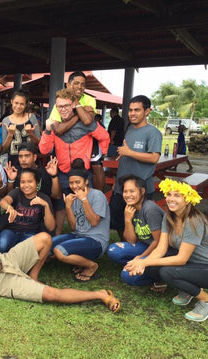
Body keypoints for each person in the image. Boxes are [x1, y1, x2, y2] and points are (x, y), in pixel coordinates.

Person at [0, 215, 120, 313]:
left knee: (45, 238)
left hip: (4, 261)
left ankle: (33, 276)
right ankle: (101, 295)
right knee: (51, 294)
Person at [125, 178, 208, 322]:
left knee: (166, 271)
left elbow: (181, 259)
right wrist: (143, 262)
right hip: (194, 265)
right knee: (152, 267)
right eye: (169, 194)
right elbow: (161, 249)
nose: (171, 199)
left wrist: (145, 263)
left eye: (177, 195)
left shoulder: (193, 220)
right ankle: (188, 291)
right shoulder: (169, 217)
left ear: (187, 200)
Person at [39, 88, 109, 234]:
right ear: (56, 107)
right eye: (60, 106)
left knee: (85, 204)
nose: (63, 109)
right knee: (60, 206)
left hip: (82, 172)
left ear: (73, 105)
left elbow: (104, 137)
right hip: (63, 172)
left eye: (66, 105)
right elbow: (44, 150)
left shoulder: (86, 123)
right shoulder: (54, 125)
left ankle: (90, 236)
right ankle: (56, 239)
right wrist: (46, 131)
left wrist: (99, 156)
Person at [109, 95, 162, 240]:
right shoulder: (130, 129)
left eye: (137, 110)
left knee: (141, 226)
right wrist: (116, 182)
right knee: (118, 222)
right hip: (121, 187)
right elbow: (126, 158)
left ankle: (140, 255)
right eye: (130, 110)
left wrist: (129, 152)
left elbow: (154, 158)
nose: (132, 113)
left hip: (140, 189)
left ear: (147, 111)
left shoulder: (153, 133)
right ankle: (127, 249)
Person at [107, 175, 172, 287]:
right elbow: (131, 240)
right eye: (125, 191)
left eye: (132, 191)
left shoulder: (149, 209)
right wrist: (127, 220)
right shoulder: (131, 208)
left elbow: (158, 241)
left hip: (163, 251)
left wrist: (141, 257)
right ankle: (139, 267)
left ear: (142, 191)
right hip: (146, 246)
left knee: (127, 276)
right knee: (113, 250)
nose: (127, 195)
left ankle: (161, 277)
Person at [51, 159, 110, 282]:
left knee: (59, 251)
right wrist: (67, 206)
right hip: (78, 235)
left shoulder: (97, 195)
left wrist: (84, 200)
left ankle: (91, 266)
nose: (74, 186)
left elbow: (94, 222)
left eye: (78, 182)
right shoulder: (72, 198)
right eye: (71, 183)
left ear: (86, 181)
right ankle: (80, 262)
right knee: (49, 244)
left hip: (96, 240)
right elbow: (73, 227)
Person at [0, 168, 55, 253]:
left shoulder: (44, 198)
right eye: (23, 182)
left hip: (31, 232)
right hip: (12, 230)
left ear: (37, 183)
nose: (26, 185)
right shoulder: (17, 192)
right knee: (2, 245)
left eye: (30, 181)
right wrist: (9, 208)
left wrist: (46, 205)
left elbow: (51, 227)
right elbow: (3, 201)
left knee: (24, 251)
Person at [1, 89, 41, 167]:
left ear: (26, 105)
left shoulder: (32, 117)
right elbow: (4, 149)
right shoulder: (5, 120)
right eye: (16, 103)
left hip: (31, 163)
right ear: (11, 101)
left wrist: (30, 133)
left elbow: (39, 143)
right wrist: (10, 134)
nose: (18, 106)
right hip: (12, 163)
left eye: (22, 104)